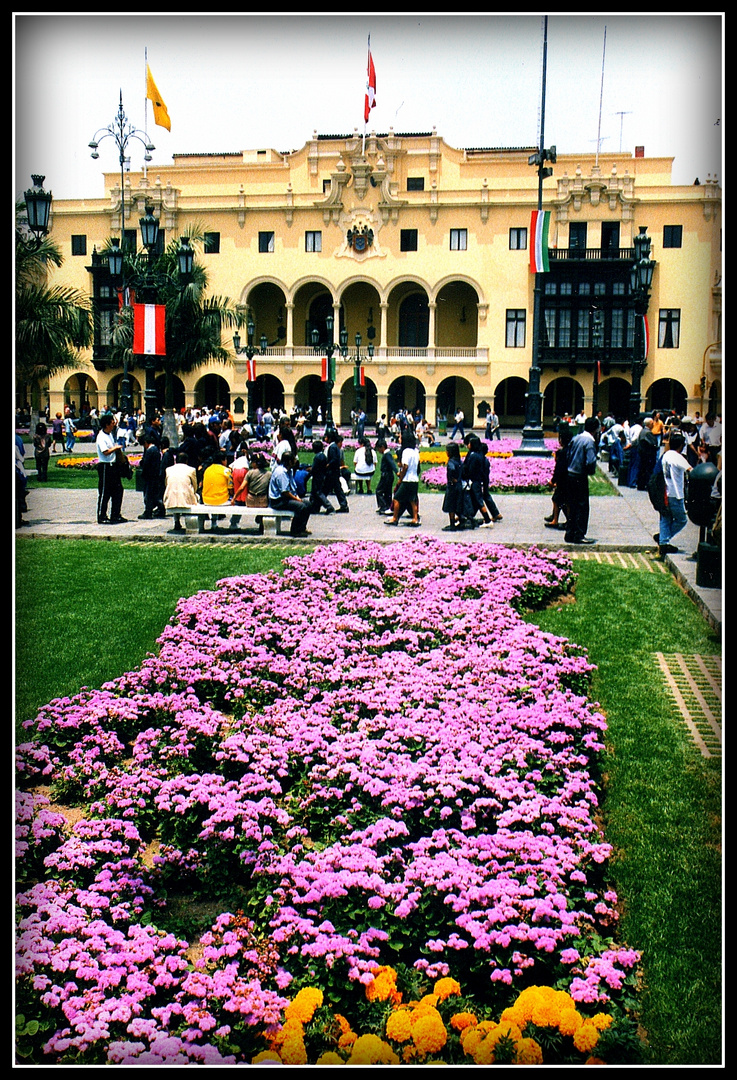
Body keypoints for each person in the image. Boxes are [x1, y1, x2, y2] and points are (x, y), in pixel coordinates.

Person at [656, 430, 693, 557]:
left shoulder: (666, 455)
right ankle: (664, 539)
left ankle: (663, 541)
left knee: (666, 518)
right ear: (681, 445)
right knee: (682, 519)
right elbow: (691, 470)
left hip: (665, 491)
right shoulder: (678, 457)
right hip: (676, 493)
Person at [564, 416, 599, 544]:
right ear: (595, 429)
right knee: (582, 506)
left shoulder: (576, 438)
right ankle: (579, 534)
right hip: (580, 476)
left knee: (572, 505)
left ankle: (570, 532)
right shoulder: (589, 442)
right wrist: (590, 471)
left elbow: (568, 454)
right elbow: (591, 461)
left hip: (570, 474)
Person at [268, 451, 312, 537]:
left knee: (308, 504)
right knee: (301, 506)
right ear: (289, 462)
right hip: (278, 501)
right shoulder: (281, 473)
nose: (295, 461)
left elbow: (292, 488)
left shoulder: (289, 471)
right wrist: (297, 499)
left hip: (286, 498)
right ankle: (295, 531)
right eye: (293, 460)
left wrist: (297, 497)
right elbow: (285, 492)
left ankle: (302, 528)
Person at [95, 412, 127, 524]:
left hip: (113, 466)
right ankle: (102, 515)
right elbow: (105, 452)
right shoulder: (101, 437)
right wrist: (116, 448)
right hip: (105, 466)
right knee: (105, 492)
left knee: (118, 491)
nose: (114, 424)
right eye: (112, 423)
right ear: (107, 424)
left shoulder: (110, 435)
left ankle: (115, 514)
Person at [385, 431, 421, 527]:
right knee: (412, 500)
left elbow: (405, 466)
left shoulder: (405, 451)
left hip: (407, 479)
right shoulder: (416, 451)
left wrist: (400, 479)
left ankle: (395, 518)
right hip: (415, 479)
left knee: (397, 498)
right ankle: (415, 518)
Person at [461, 435, 495, 528]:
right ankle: (467, 516)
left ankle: (487, 520)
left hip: (474, 481)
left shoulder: (474, 456)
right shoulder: (479, 455)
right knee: (476, 500)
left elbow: (470, 469)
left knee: (479, 501)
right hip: (477, 481)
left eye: (469, 443)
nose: (467, 445)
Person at [545, 423, 573, 529]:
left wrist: (553, 481)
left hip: (563, 480)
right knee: (562, 500)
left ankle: (557, 520)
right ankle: (559, 519)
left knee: (558, 500)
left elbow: (558, 469)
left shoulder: (561, 453)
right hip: (569, 478)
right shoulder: (571, 451)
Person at [201, 450, 235, 528]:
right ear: (223, 460)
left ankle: (214, 523)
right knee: (237, 501)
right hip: (221, 501)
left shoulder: (207, 470)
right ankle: (234, 523)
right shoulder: (226, 470)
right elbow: (231, 489)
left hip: (206, 500)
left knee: (214, 493)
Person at [138, 431, 165, 519]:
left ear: (146, 443)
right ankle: (160, 509)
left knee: (149, 495)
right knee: (154, 494)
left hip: (150, 476)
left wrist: (143, 473)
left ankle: (148, 512)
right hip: (155, 475)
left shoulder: (150, 451)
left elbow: (146, 464)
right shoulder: (156, 450)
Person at [307, 439, 335, 515]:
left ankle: (329, 506)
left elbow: (315, 468)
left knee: (318, 493)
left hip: (317, 477)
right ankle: (314, 507)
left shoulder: (317, 457)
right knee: (314, 493)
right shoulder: (323, 456)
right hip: (323, 476)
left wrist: (309, 472)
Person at [442, 441, 465, 530]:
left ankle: (452, 524)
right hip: (459, 485)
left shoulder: (451, 462)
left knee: (450, 505)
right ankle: (461, 520)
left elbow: (451, 470)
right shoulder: (459, 461)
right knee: (457, 504)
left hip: (452, 486)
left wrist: (452, 479)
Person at [326, 431, 350, 512]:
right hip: (335, 471)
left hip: (332, 472)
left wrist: (328, 464)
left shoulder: (332, 447)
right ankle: (344, 505)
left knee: (325, 489)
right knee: (337, 489)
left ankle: (320, 505)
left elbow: (334, 459)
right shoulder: (335, 447)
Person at [374, 438, 398, 513]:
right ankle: (388, 506)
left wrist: (397, 472)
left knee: (379, 491)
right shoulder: (388, 454)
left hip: (386, 475)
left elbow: (392, 464)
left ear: (382, 447)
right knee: (387, 492)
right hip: (389, 475)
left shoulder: (387, 455)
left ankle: (383, 506)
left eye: (378, 449)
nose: (378, 451)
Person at [636, 417, 659, 490]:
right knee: (647, 471)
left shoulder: (643, 431)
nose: (653, 425)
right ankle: (646, 484)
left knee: (642, 470)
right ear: (649, 424)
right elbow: (653, 443)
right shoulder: (648, 432)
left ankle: (641, 484)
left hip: (643, 454)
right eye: (652, 423)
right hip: (648, 455)